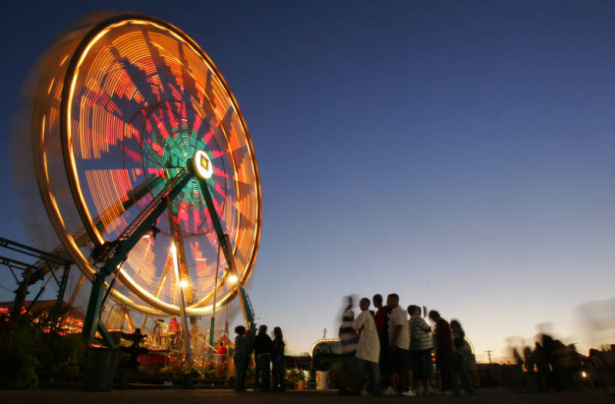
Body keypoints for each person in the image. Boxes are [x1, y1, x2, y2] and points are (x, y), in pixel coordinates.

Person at [383, 293, 414, 396]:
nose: (386, 302)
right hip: (400, 343)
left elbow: (399, 326)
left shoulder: (398, 311)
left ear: (394, 300)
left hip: (400, 344)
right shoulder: (396, 312)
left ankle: (409, 388)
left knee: (405, 367)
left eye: (388, 300)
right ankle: (402, 388)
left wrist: (393, 342)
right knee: (400, 367)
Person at [353, 297, 381, 396]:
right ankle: (374, 389)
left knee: (369, 368)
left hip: (368, 346)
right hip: (371, 345)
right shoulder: (369, 315)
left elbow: (355, 325)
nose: (360, 305)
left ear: (366, 304)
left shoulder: (364, 314)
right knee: (373, 367)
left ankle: (370, 390)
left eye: (362, 303)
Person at [409, 305, 435, 395]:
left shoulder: (409, 321)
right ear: (415, 311)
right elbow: (428, 330)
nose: (419, 311)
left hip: (414, 347)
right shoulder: (419, 319)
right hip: (424, 347)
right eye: (418, 310)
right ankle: (427, 387)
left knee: (418, 368)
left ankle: (419, 388)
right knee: (426, 367)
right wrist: (432, 334)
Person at [429, 310, 455, 394]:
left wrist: (438, 346)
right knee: (443, 369)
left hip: (445, 350)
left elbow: (444, 338)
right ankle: (446, 387)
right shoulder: (441, 324)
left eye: (432, 318)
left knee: (446, 369)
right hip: (443, 349)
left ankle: (448, 387)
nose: (433, 320)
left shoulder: (442, 324)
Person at [338, 295, 360, 395]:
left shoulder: (342, 326)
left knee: (345, 370)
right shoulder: (349, 324)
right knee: (353, 370)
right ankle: (353, 389)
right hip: (351, 349)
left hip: (345, 349)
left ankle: (344, 388)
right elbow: (349, 329)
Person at [450, 319, 474, 394]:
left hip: (459, 353)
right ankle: (467, 388)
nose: (452, 328)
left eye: (453, 326)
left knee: (462, 370)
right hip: (461, 352)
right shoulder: (459, 333)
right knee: (463, 371)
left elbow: (454, 343)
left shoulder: (457, 334)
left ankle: (467, 388)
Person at [373, 294, 390, 389]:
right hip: (388, 339)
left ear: (376, 301)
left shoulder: (379, 313)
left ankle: (384, 385)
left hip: (382, 339)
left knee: (382, 362)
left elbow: (378, 328)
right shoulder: (387, 310)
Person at [233, 325, 253, 392]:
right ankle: (238, 387)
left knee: (238, 371)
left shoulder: (237, 338)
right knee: (240, 372)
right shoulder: (243, 339)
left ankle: (237, 386)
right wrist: (249, 336)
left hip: (236, 356)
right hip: (241, 356)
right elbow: (249, 345)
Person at [254, 324, 273, 391]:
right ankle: (267, 385)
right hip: (267, 355)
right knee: (267, 371)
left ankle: (259, 386)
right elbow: (271, 346)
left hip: (260, 355)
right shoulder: (267, 337)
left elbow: (254, 346)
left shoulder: (258, 337)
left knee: (260, 371)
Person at [272, 327, 286, 391]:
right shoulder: (280, 339)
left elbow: (276, 348)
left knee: (276, 371)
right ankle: (282, 386)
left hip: (276, 356)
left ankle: (275, 386)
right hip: (279, 356)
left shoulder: (277, 340)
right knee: (280, 371)